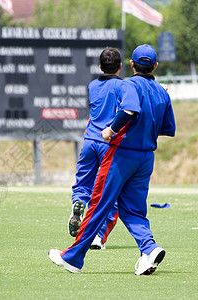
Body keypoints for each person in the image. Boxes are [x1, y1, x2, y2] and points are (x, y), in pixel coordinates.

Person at [49, 44, 176, 275]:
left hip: (121, 154)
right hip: (146, 157)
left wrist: (110, 129)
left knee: (99, 204)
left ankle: (73, 258)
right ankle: (149, 249)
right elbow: (166, 128)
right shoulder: (161, 91)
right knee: (134, 211)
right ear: (155, 66)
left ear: (130, 64)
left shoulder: (125, 84)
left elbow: (128, 110)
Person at [69, 47, 138, 250]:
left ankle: (79, 202)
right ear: (121, 66)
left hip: (89, 141)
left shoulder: (92, 85)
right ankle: (98, 236)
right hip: (109, 144)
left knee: (83, 183)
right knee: (110, 192)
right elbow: (129, 109)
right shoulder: (123, 86)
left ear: (100, 66)